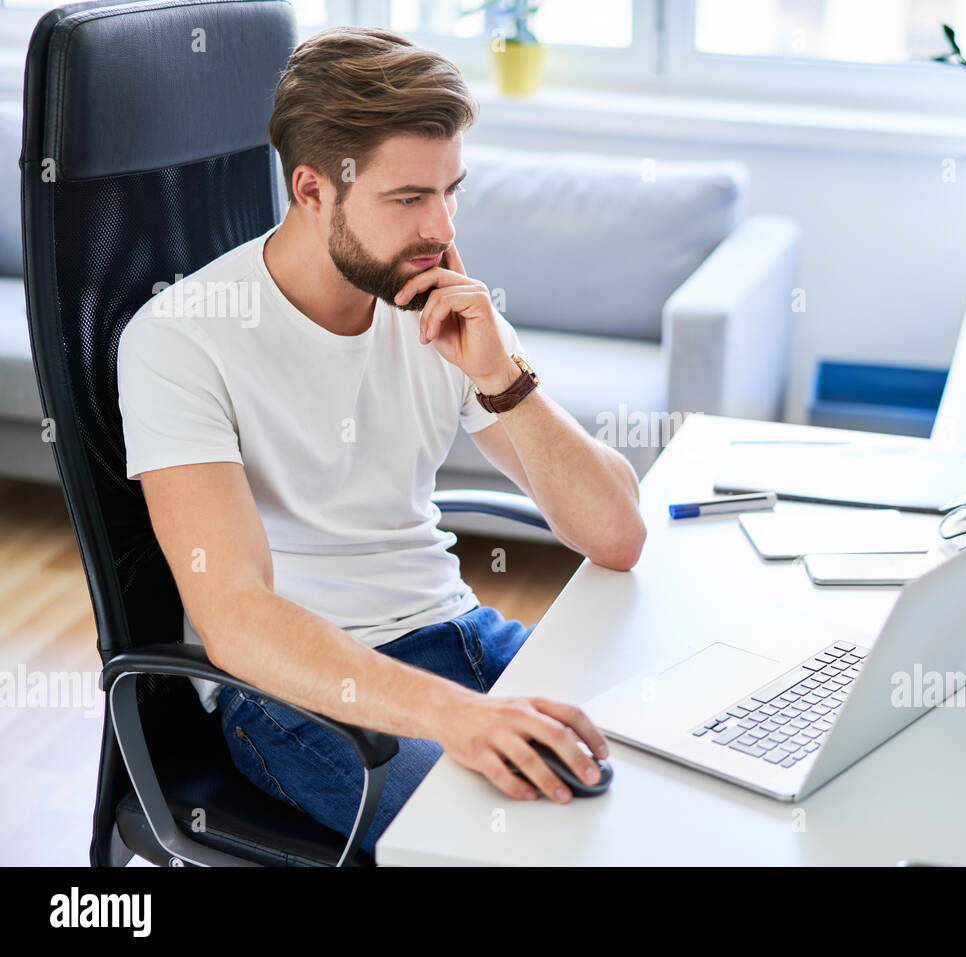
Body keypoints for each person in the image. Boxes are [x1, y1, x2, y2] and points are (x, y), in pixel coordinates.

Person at [116, 26, 646, 857]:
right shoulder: (182, 339)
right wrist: (454, 715)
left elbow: (617, 533)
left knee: (665, 772)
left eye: (451, 191)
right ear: (312, 189)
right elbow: (238, 621)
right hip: (300, 696)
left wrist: (502, 375)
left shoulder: (439, 300)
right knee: (520, 846)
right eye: (408, 199)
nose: (440, 227)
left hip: (463, 634)